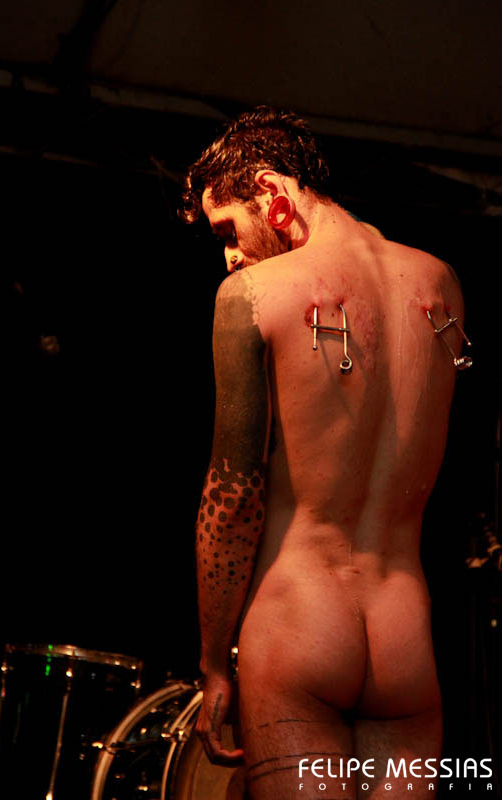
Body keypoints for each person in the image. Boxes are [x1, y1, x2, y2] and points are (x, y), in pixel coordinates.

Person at [181, 107, 467, 799]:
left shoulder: (250, 295)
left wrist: (214, 663)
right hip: (406, 638)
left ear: (270, 193)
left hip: (301, 625)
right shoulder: (440, 283)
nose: (228, 256)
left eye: (227, 231)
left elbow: (231, 500)